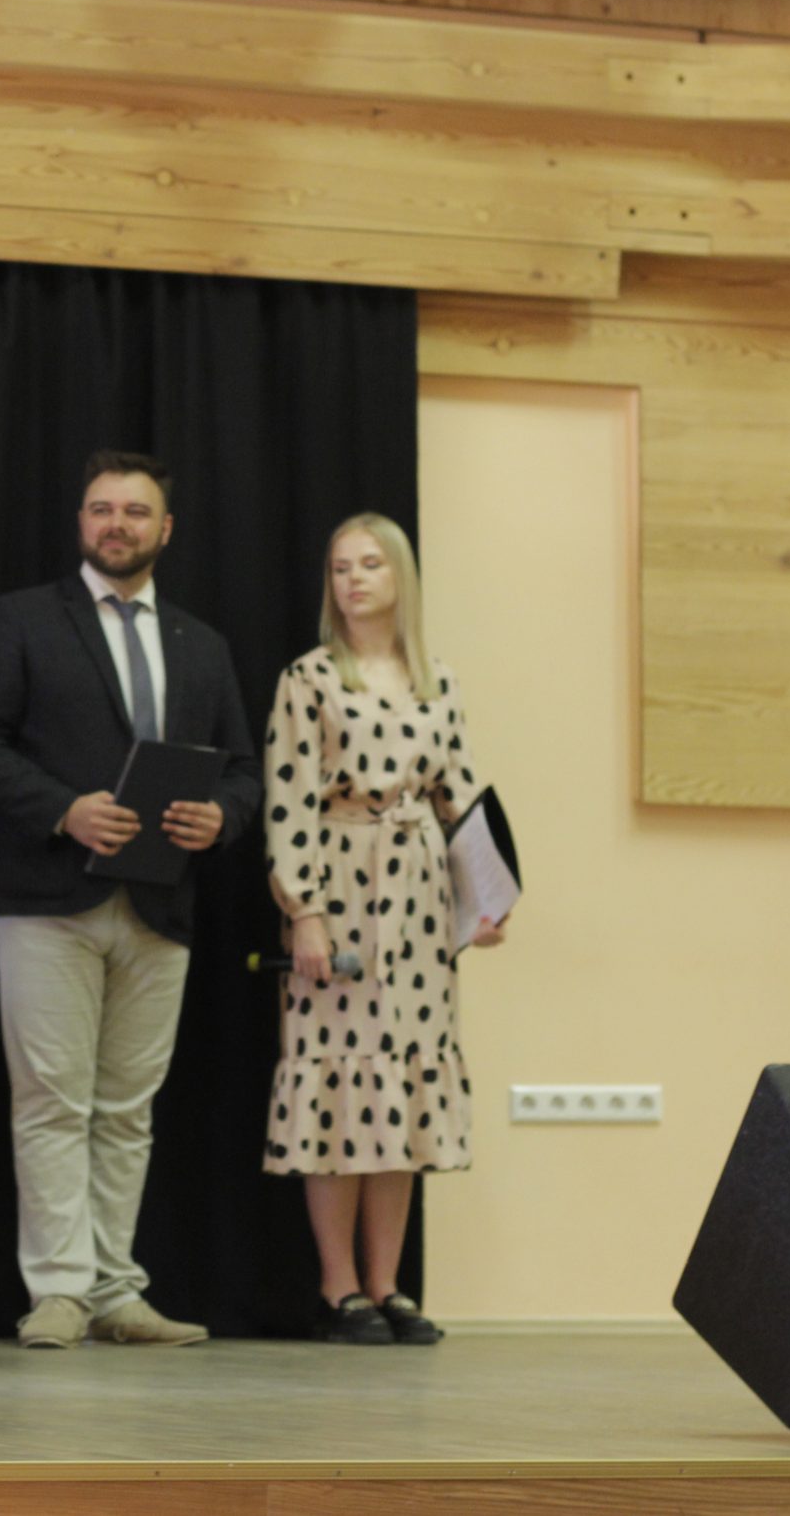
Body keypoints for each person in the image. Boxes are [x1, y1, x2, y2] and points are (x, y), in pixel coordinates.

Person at [0, 451, 260, 1352]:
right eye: (100, 508)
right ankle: (59, 1292)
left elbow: (244, 771)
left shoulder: (202, 643)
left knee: (126, 1110)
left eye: (135, 510)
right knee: (51, 1100)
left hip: (163, 905)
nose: (116, 523)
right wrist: (63, 808)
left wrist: (223, 818)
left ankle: (118, 1291)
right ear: (81, 522)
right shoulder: (23, 619)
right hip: (46, 897)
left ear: (167, 529)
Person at [261, 513, 506, 1347]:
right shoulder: (309, 678)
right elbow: (288, 801)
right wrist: (305, 910)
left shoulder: (438, 682)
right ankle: (339, 1288)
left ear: (400, 575)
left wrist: (485, 901)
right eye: (340, 567)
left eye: (369, 564)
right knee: (339, 1088)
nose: (354, 579)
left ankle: (388, 1282)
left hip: (418, 899)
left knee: (400, 1090)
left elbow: (462, 797)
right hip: (341, 886)